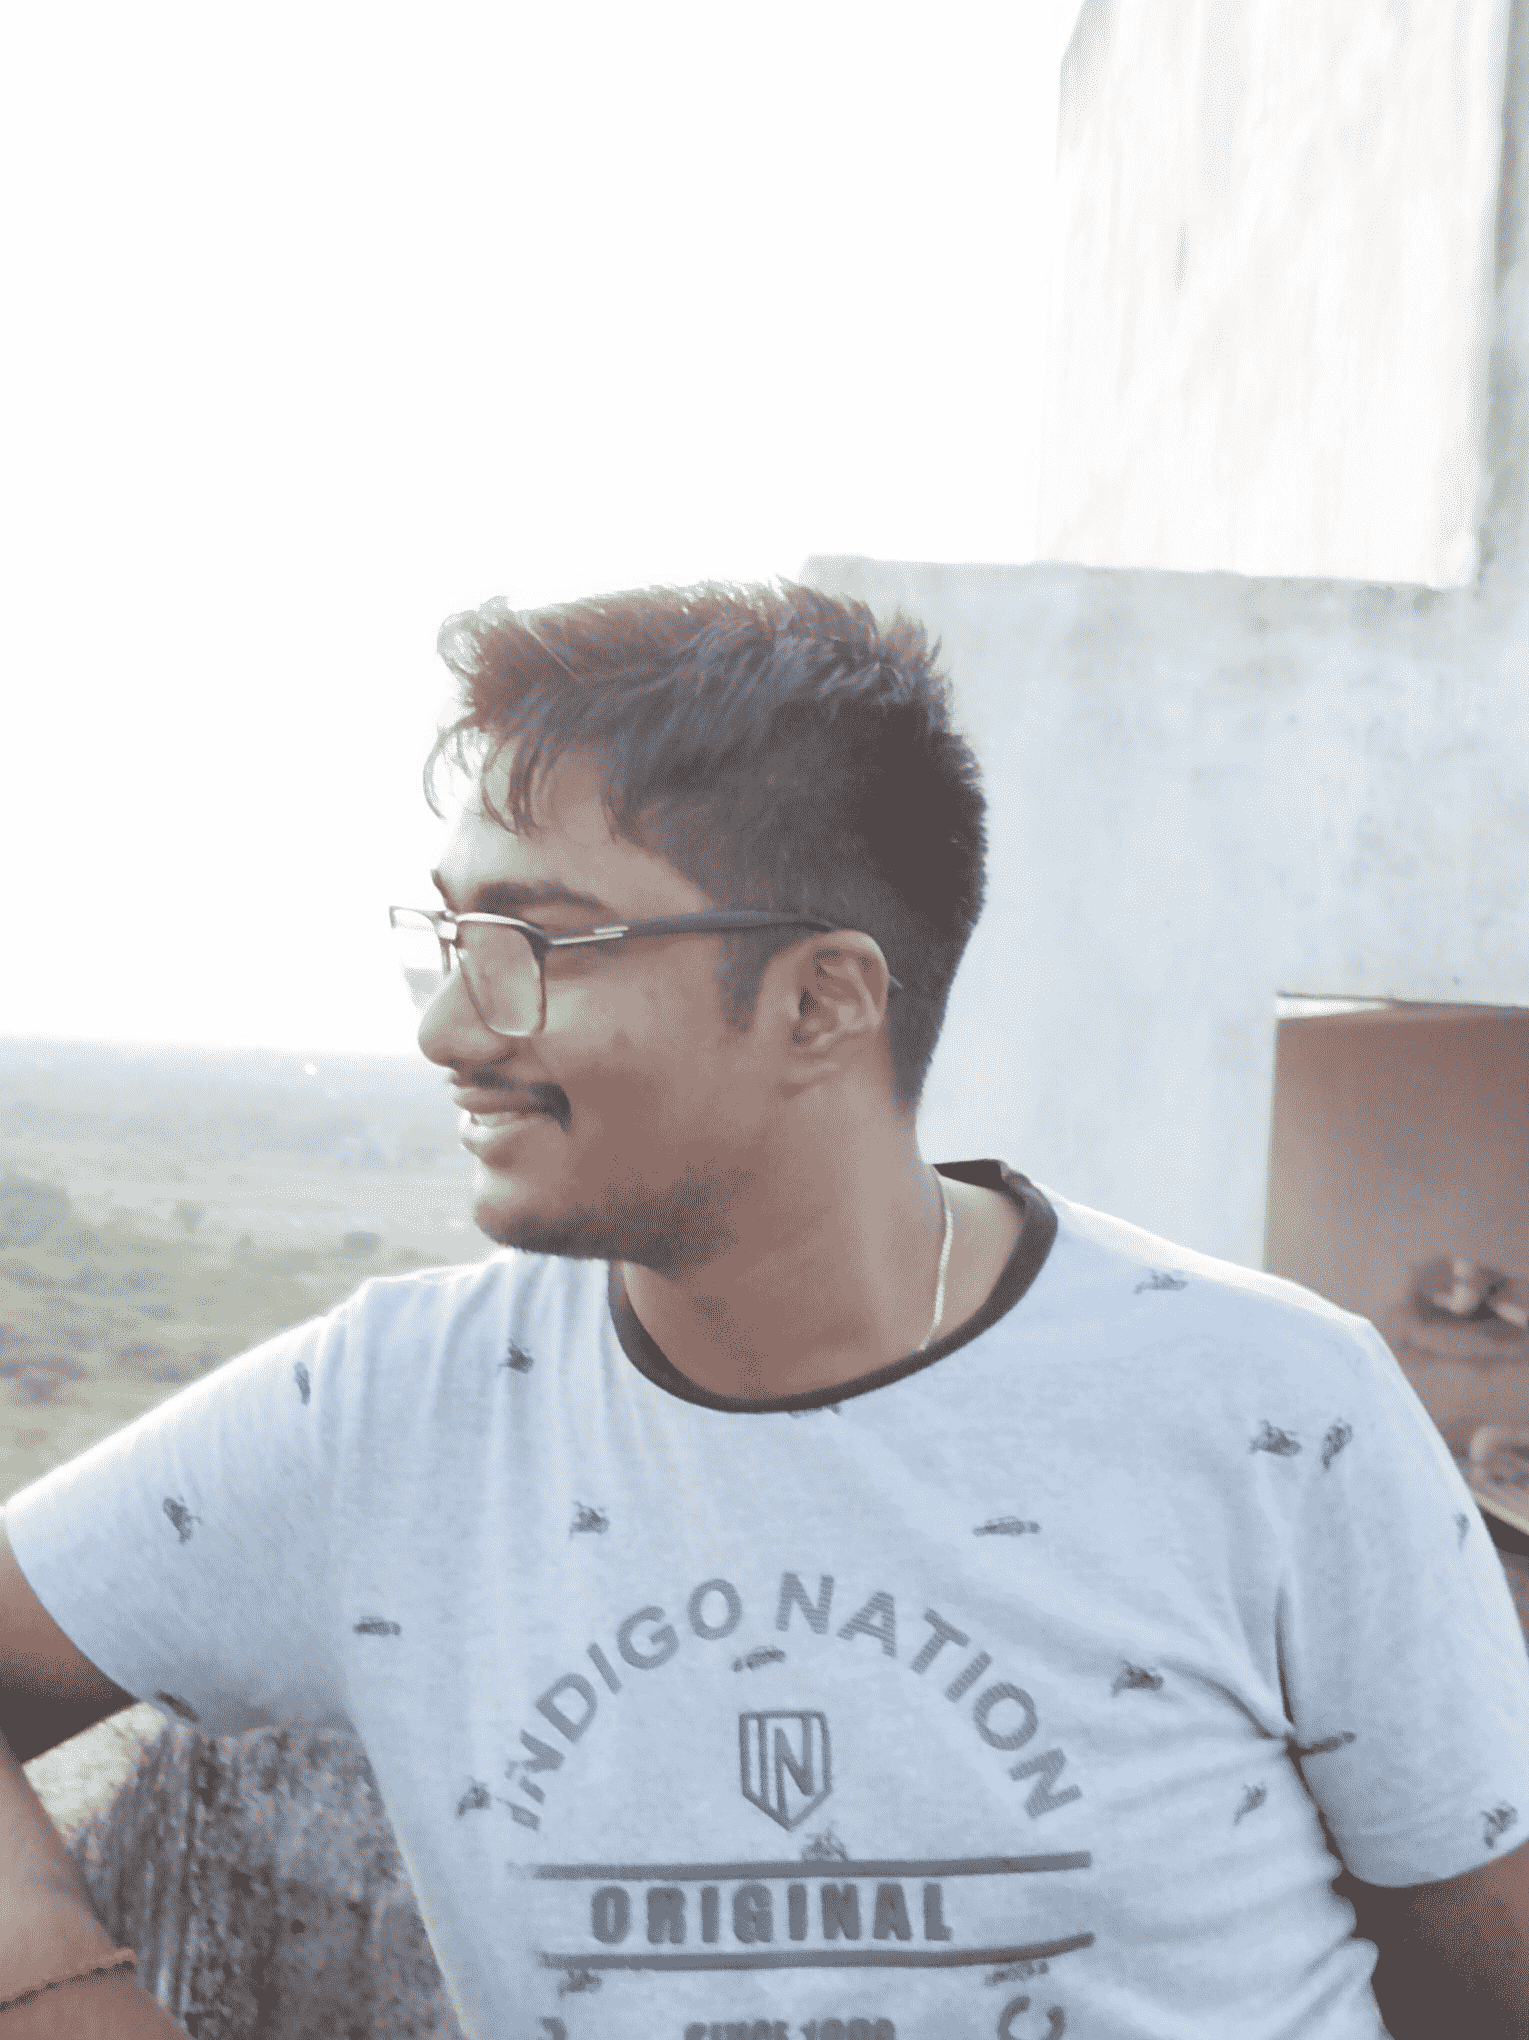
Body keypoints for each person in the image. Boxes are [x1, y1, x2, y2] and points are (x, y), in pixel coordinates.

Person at [3, 582, 1529, 2040]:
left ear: (819, 1002)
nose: (449, 1026)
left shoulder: (1272, 1405)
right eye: (453, 936)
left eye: (533, 943)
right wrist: (66, 1992)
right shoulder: (387, 1414)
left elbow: (1490, 1970)